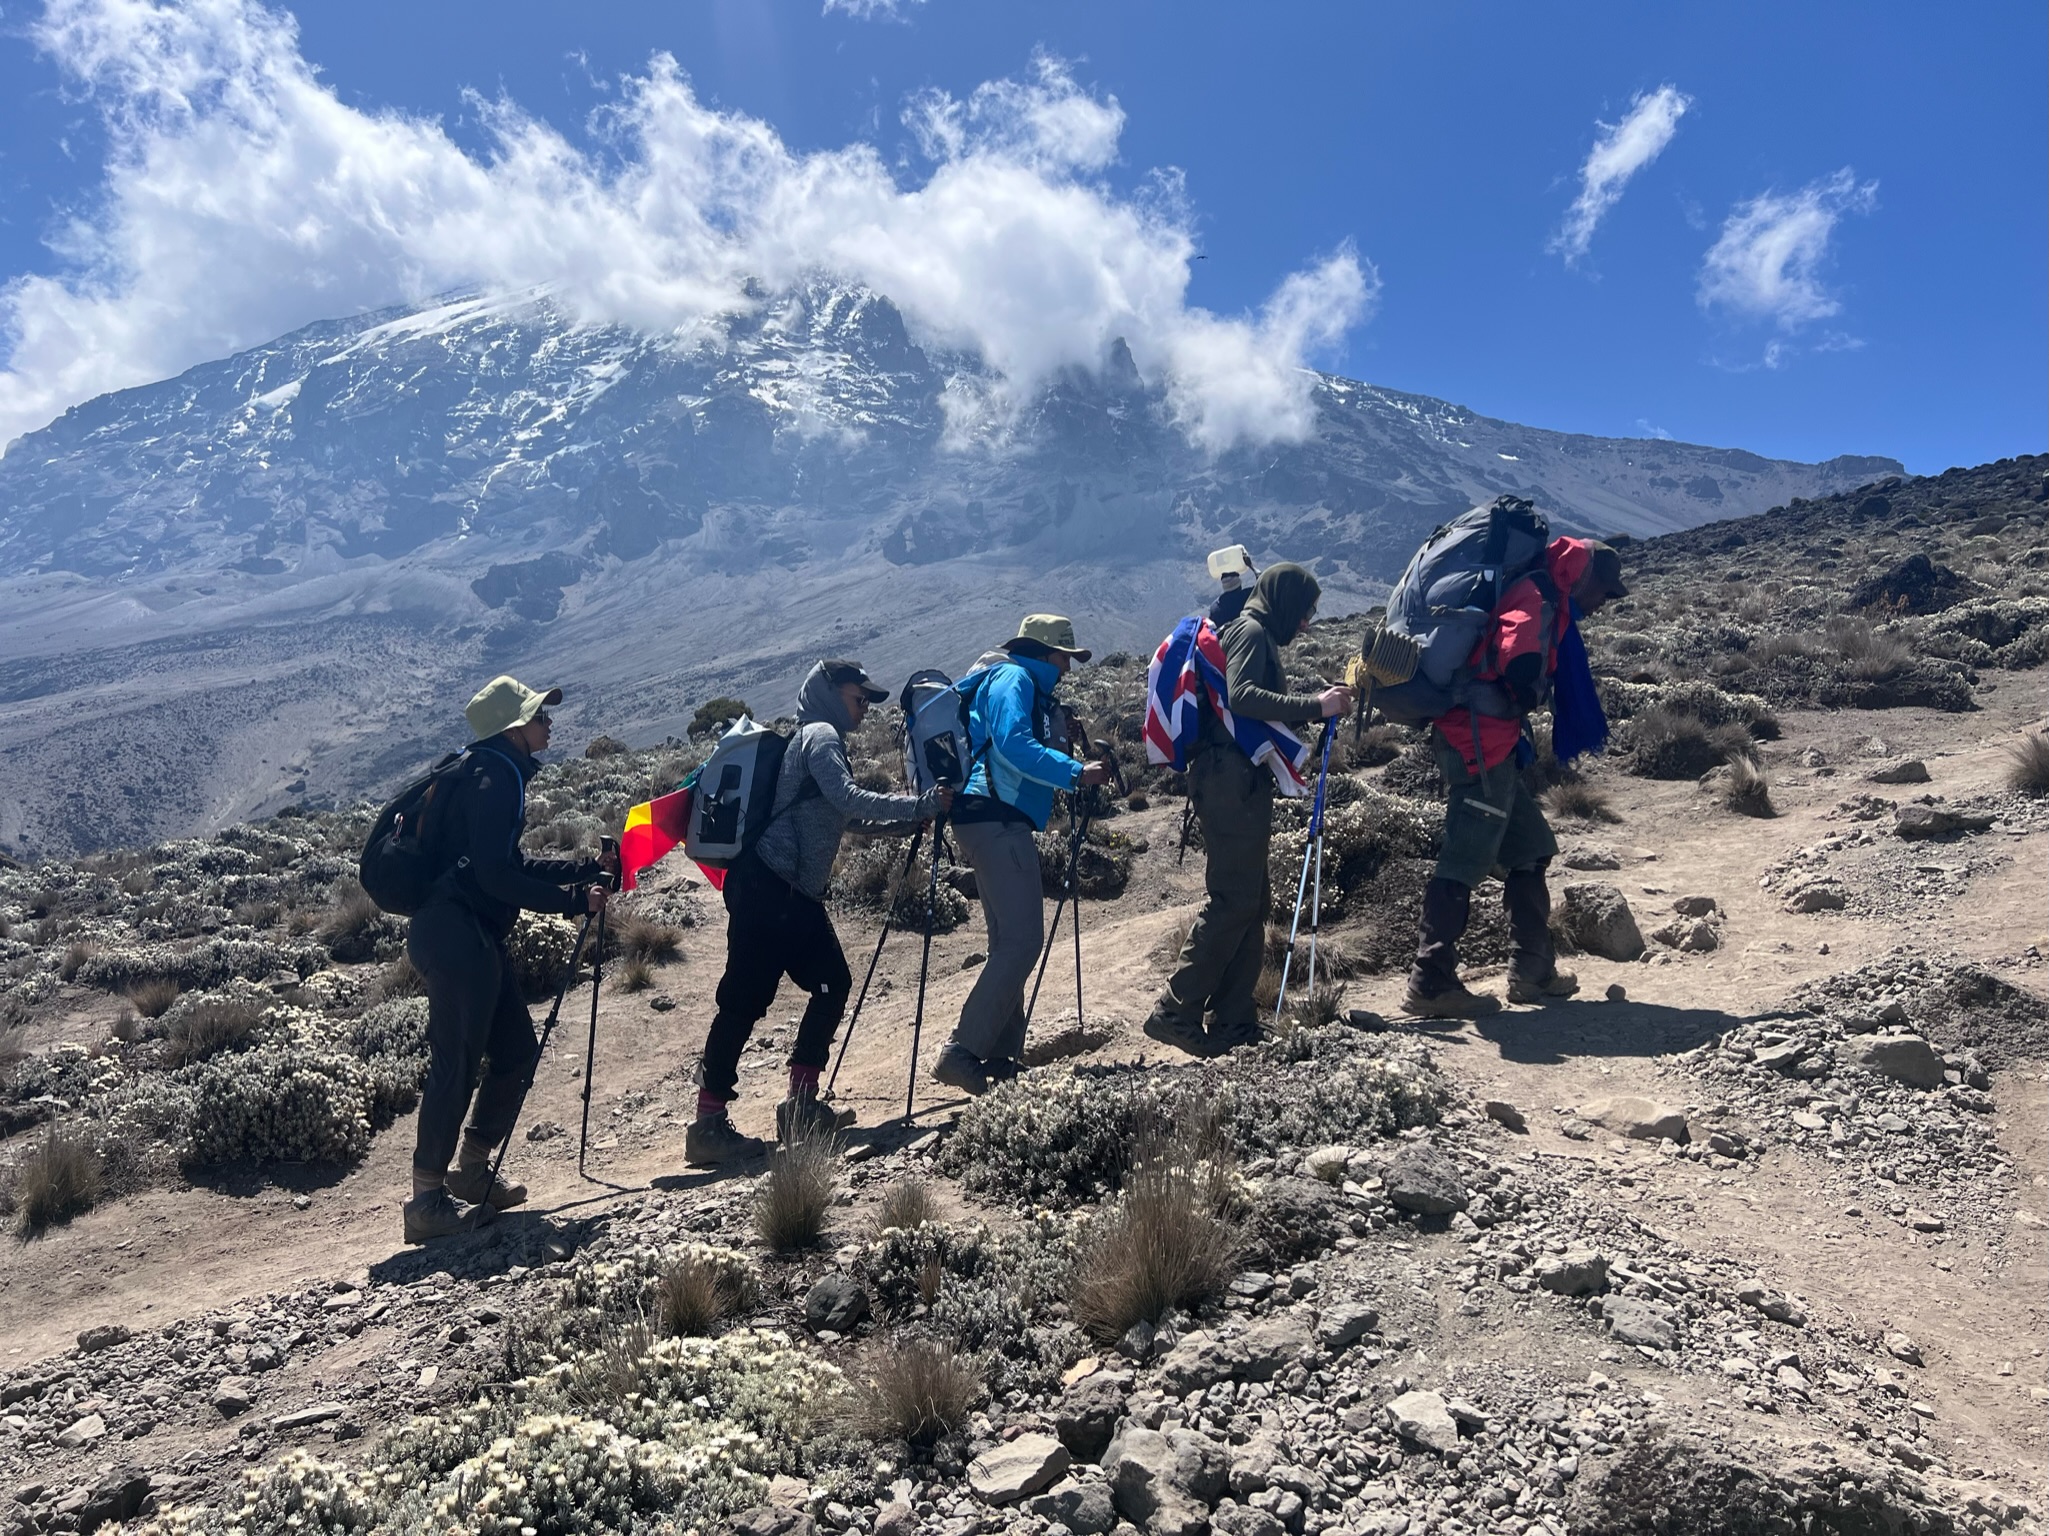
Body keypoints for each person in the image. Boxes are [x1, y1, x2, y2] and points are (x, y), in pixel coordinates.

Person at [685, 660, 947, 1165]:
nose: (865, 707)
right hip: (769, 890)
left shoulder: (816, 737)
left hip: (790, 895)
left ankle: (800, 1107)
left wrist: (906, 821)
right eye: (858, 696)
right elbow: (847, 798)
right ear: (829, 692)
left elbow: (840, 816)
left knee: (830, 983)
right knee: (744, 1002)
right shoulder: (822, 735)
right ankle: (708, 1126)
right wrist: (919, 805)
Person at [404, 675, 614, 1245]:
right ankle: (425, 1202)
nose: (548, 722)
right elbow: (498, 878)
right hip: (457, 937)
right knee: (455, 1063)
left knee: (517, 1051)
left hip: (468, 935)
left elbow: (506, 867)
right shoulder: (496, 778)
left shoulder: (493, 771)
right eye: (539, 715)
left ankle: (471, 1170)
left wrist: (582, 872)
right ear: (513, 727)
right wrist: (574, 902)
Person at [1403, 538, 1629, 1019]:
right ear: (1584, 577)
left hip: (1493, 742)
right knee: (1464, 858)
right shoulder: (1537, 595)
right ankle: (1430, 981)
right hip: (1477, 744)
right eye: (1604, 592)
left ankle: (1532, 970)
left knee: (1530, 849)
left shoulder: (1542, 592)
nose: (1602, 604)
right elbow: (1519, 650)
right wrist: (1526, 685)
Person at [1145, 564, 1352, 1056]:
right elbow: (1242, 697)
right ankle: (1175, 1009)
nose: (1306, 623)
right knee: (1232, 900)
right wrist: (1316, 706)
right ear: (1284, 601)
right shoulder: (1252, 631)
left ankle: (1235, 1021)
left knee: (1251, 903)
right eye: (1304, 611)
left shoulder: (1254, 632)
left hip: (1236, 778)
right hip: (1229, 779)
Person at [934, 615, 1111, 1094]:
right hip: (996, 818)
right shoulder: (1014, 678)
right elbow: (1014, 744)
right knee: (1023, 943)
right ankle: (961, 1052)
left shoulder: (1020, 684)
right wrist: (1075, 772)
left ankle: (1000, 1056)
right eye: (1064, 659)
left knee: (1009, 943)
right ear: (1044, 653)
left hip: (988, 817)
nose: (1068, 669)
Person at [1207, 545, 1259, 627]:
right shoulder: (1248, 596)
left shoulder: (1215, 607)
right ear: (1239, 584)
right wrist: (1251, 566)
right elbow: (1263, 583)